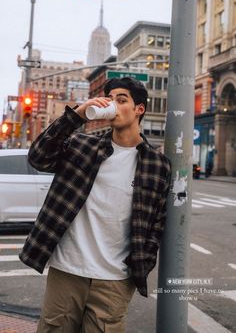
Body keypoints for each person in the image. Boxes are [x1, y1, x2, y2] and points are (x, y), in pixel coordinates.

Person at [19, 77, 171, 333]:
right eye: (110, 99)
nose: (113, 104)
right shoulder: (82, 146)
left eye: (121, 100)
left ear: (139, 109)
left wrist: (138, 267)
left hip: (114, 279)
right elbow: (38, 157)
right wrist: (77, 115)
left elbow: (155, 222)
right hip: (67, 270)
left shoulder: (157, 164)